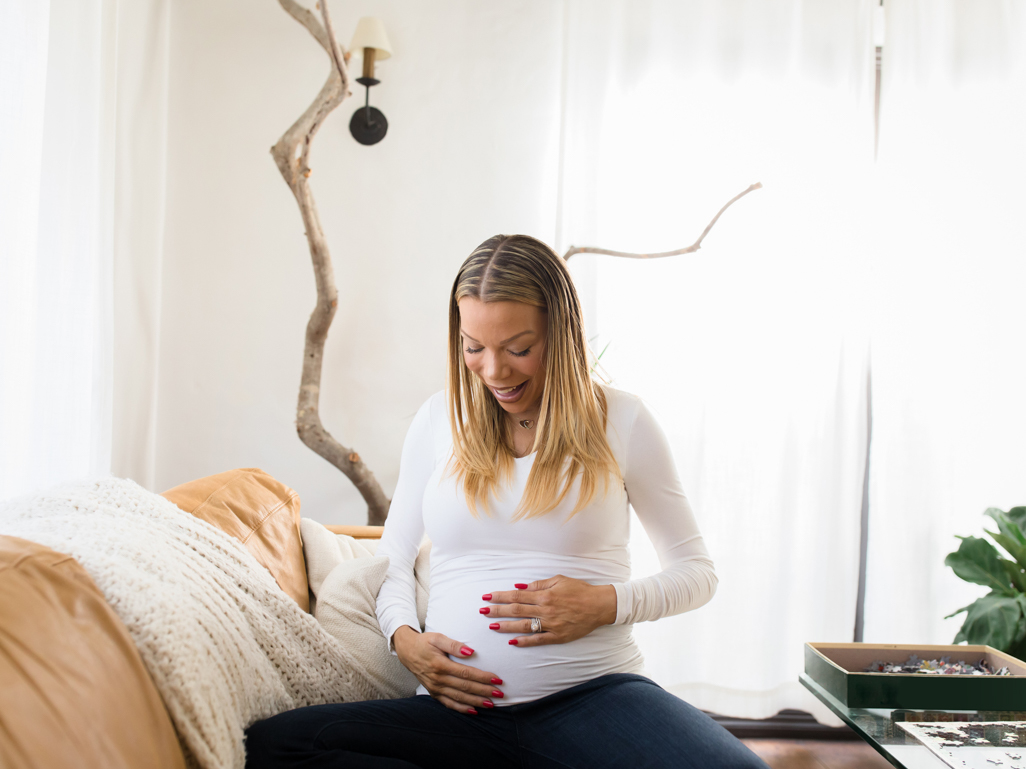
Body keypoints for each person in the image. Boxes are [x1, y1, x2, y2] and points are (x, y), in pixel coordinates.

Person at [245, 235, 767, 768]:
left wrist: (605, 603)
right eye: (474, 347)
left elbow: (697, 573)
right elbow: (393, 559)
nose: (494, 371)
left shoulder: (623, 421)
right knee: (274, 745)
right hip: (459, 715)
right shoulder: (437, 420)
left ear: (560, 336)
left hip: (595, 697)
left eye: (518, 349)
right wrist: (404, 638)